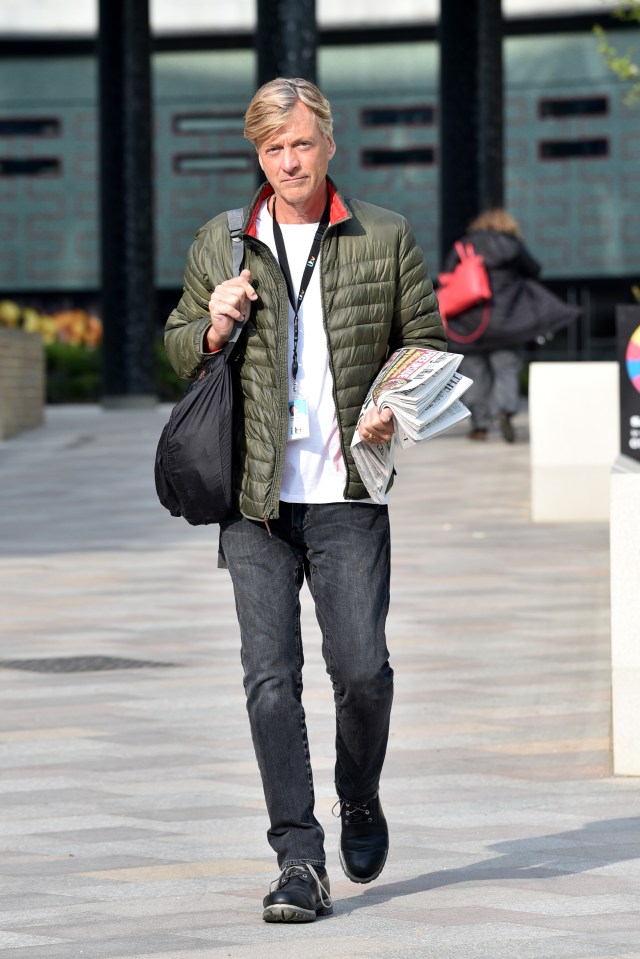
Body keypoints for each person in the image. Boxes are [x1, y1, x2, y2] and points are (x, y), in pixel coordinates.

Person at [164, 77, 446, 923]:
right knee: (270, 683)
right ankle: (298, 857)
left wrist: (400, 401)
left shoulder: (384, 236)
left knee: (363, 671)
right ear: (260, 154)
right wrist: (211, 323)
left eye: (301, 144)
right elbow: (177, 347)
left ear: (330, 145)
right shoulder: (224, 243)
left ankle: (359, 795)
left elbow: (426, 343)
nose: (289, 160)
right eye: (273, 148)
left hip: (349, 489)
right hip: (253, 500)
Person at [441, 209, 542, 443]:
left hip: (469, 323)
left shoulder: (463, 246)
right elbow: (535, 270)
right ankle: (505, 409)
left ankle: (480, 426)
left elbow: (446, 277)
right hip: (507, 321)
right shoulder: (514, 246)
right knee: (506, 369)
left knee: (475, 374)